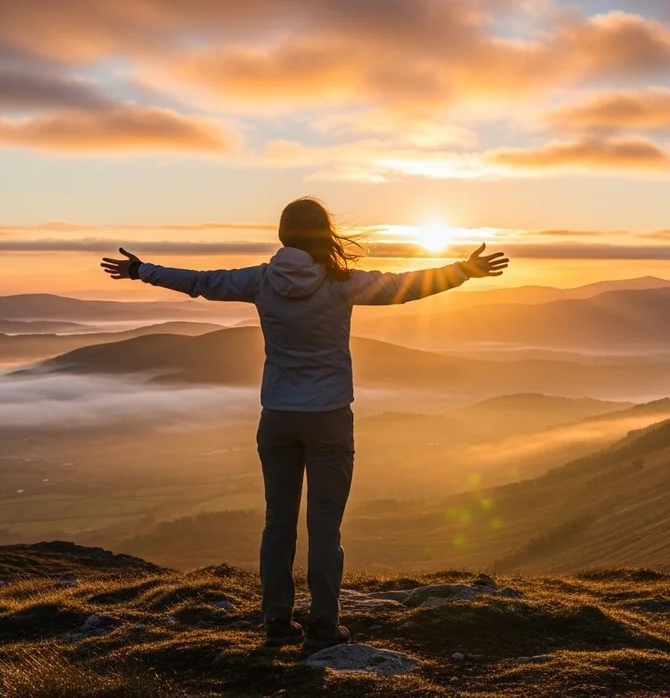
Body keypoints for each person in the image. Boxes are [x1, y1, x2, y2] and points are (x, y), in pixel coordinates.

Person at [100, 197, 509, 651]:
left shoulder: (261, 279)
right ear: (323, 234)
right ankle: (323, 627)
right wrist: (463, 271)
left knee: (278, 523)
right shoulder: (340, 284)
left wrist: (141, 271)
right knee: (325, 528)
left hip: (277, 416)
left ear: (282, 234)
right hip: (329, 417)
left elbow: (200, 282)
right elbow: (404, 286)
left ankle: (276, 623)